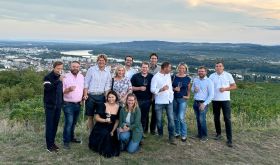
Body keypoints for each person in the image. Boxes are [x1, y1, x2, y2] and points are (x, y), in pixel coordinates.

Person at [209, 61, 237, 147]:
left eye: (220, 66)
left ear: (223, 67)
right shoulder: (211, 76)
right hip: (215, 100)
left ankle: (229, 139)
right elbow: (209, 87)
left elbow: (234, 86)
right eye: (216, 66)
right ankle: (218, 134)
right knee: (216, 118)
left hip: (225, 100)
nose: (218, 67)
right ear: (215, 68)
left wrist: (225, 89)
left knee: (227, 119)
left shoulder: (228, 75)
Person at [88, 90, 121, 158]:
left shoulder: (119, 107)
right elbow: (96, 118)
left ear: (116, 98)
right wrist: (105, 120)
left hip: (112, 127)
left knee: (109, 135)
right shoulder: (102, 105)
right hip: (101, 125)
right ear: (107, 98)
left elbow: (117, 121)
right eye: (109, 97)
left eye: (113, 97)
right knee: (104, 133)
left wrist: (113, 131)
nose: (111, 99)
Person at [83, 54, 111, 131]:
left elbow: (107, 85)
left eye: (103, 60)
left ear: (105, 62)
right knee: (90, 116)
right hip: (90, 96)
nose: (101, 62)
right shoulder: (91, 70)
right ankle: (91, 133)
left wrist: (106, 96)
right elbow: (86, 83)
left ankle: (97, 133)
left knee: (99, 116)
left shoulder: (108, 72)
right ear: (97, 61)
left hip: (101, 96)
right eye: (99, 60)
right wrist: (85, 94)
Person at [150, 62, 176, 145]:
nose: (170, 69)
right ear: (164, 68)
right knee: (159, 119)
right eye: (169, 68)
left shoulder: (168, 75)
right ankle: (160, 134)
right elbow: (152, 89)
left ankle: (171, 137)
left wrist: (171, 93)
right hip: (159, 101)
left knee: (171, 119)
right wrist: (161, 89)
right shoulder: (156, 77)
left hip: (169, 100)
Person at [62, 61, 84, 149]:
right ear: (70, 67)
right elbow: (62, 91)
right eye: (74, 66)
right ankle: (66, 141)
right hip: (68, 104)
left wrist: (83, 97)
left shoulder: (81, 76)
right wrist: (69, 89)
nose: (75, 68)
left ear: (79, 67)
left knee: (73, 123)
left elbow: (83, 89)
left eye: (77, 67)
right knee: (69, 123)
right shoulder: (65, 77)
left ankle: (71, 138)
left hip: (78, 104)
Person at [43, 61, 64, 152]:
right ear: (54, 68)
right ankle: (49, 146)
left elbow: (60, 92)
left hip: (58, 106)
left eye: (61, 68)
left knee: (55, 125)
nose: (59, 70)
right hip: (50, 106)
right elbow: (48, 88)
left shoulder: (60, 78)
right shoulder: (47, 77)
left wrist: (62, 102)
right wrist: (58, 81)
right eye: (58, 68)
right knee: (49, 126)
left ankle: (52, 143)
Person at [191, 66, 214, 142]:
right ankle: (200, 134)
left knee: (202, 120)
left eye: (202, 71)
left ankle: (204, 136)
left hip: (203, 103)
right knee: (198, 119)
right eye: (199, 71)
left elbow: (211, 95)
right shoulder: (196, 80)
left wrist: (204, 104)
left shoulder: (209, 81)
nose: (200, 72)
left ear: (206, 72)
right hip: (196, 102)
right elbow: (192, 90)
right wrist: (194, 90)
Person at [131, 62, 153, 135]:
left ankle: (141, 132)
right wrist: (139, 88)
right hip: (137, 100)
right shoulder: (135, 76)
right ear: (141, 67)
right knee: (136, 116)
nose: (144, 69)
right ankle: (134, 131)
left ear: (148, 68)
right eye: (143, 67)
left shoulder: (151, 76)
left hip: (147, 100)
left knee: (144, 117)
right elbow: (131, 87)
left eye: (146, 67)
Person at [172, 63, 191, 142]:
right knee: (175, 117)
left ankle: (184, 134)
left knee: (181, 117)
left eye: (183, 68)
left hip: (182, 99)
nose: (181, 70)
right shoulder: (173, 76)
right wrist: (174, 89)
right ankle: (177, 132)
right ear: (178, 68)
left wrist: (188, 96)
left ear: (186, 69)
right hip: (174, 98)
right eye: (180, 68)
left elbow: (189, 89)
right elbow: (170, 86)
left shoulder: (188, 78)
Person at [147, 53, 161, 135]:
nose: (153, 60)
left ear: (157, 60)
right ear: (150, 59)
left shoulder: (160, 68)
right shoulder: (146, 67)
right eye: (152, 58)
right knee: (145, 113)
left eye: (155, 58)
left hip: (156, 94)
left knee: (155, 113)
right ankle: (144, 129)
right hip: (147, 93)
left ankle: (152, 130)